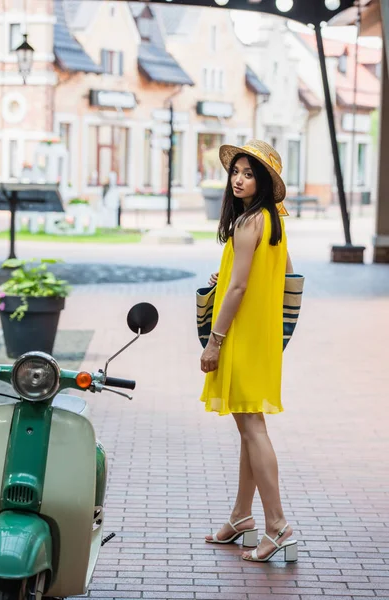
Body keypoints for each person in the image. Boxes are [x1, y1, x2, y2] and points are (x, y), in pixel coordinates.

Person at [200, 139, 297, 563]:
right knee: (248, 427)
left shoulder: (246, 224)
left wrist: (213, 341)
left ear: (263, 181)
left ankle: (277, 526)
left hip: (239, 336)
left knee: (253, 428)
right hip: (263, 336)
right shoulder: (273, 221)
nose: (239, 179)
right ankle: (242, 517)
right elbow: (286, 277)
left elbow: (239, 287)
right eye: (235, 172)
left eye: (249, 173)